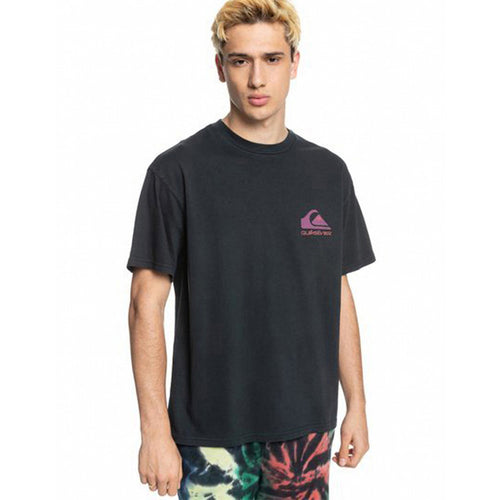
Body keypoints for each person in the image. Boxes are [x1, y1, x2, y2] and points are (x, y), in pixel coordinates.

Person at [126, 0, 376, 497]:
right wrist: (154, 432)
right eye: (240, 61)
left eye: (272, 59)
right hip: (209, 436)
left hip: (306, 433)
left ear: (294, 63)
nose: (257, 79)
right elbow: (144, 305)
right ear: (221, 67)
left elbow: (337, 292)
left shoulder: (328, 173)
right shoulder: (177, 172)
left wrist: (358, 406)